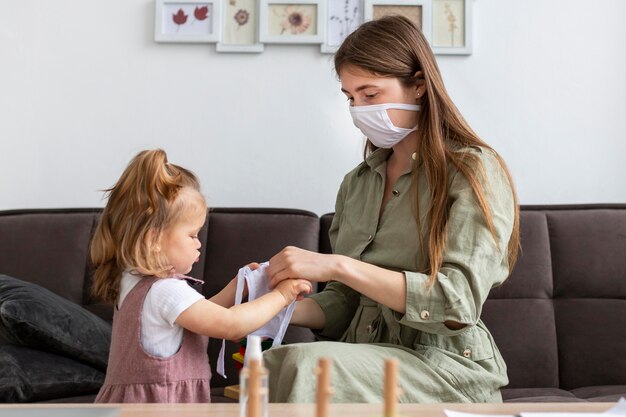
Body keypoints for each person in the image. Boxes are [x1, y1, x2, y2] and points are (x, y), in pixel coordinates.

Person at [264, 15, 520, 403]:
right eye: (350, 97)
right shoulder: (358, 183)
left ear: (418, 85)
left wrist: (335, 265)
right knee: (272, 363)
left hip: (443, 367)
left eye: (370, 95)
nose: (358, 109)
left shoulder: (472, 170)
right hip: (367, 355)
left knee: (305, 366)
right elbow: (345, 302)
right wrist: (273, 308)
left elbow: (457, 302)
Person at [90, 149, 311, 403]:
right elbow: (230, 325)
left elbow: (197, 317)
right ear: (154, 240)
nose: (199, 244)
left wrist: (236, 287)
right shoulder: (165, 291)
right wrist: (283, 295)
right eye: (192, 235)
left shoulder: (132, 280)